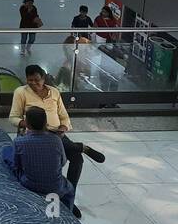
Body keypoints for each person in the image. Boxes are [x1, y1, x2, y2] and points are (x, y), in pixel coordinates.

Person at [8, 64, 106, 200]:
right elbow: (13, 118)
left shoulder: (54, 92)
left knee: (77, 158)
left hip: (56, 134)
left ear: (44, 78)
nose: (33, 83)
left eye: (37, 80)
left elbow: (64, 116)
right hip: (33, 133)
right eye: (29, 80)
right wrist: (31, 124)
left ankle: (70, 192)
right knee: (54, 142)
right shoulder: (21, 92)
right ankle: (81, 147)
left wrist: (63, 128)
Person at [1, 107, 79, 217]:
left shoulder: (19, 142)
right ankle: (68, 215)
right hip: (56, 186)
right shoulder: (56, 140)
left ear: (27, 124)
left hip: (29, 184)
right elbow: (63, 162)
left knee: (7, 152)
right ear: (46, 123)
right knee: (70, 189)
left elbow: (16, 165)